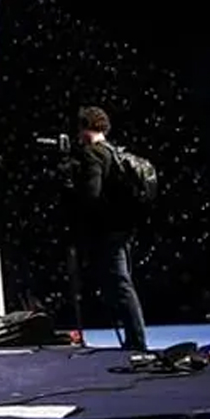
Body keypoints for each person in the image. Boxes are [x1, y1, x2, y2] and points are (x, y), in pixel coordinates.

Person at [66, 107, 148, 351]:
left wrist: (73, 185)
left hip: (108, 231)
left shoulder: (93, 154)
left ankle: (137, 341)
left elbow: (91, 195)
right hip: (123, 228)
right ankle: (134, 338)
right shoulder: (113, 151)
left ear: (84, 128)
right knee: (121, 283)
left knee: (121, 285)